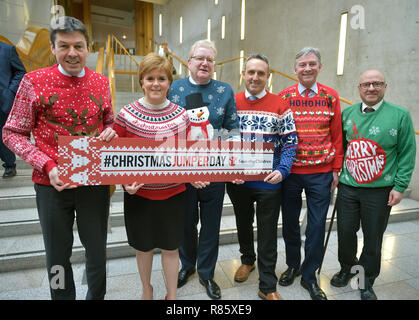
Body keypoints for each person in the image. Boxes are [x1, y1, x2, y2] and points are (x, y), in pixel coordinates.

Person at [3, 16, 117, 300]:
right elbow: (12, 133)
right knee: (57, 256)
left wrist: (110, 132)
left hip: (93, 182)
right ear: (53, 49)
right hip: (50, 184)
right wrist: (47, 165)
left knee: (97, 252)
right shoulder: (33, 81)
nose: (72, 53)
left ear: (88, 49)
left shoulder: (101, 83)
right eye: (64, 46)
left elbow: (108, 121)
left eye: (78, 46)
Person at [330, 69, 416, 300]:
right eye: (366, 84)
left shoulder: (399, 115)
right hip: (348, 187)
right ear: (358, 88)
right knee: (346, 232)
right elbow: (341, 148)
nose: (371, 88)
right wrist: (336, 171)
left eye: (377, 84)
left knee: (373, 237)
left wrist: (399, 186)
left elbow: (407, 152)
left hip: (380, 191)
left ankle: (365, 280)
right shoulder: (347, 114)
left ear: (385, 87)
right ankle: (348, 267)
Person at [113, 52, 190, 300]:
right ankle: (147, 288)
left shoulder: (182, 115)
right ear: (141, 81)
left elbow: (189, 154)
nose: (155, 83)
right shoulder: (125, 114)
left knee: (171, 247)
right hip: (140, 197)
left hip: (174, 195)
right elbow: (115, 158)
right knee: (143, 247)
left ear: (169, 82)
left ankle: (172, 295)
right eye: (150, 78)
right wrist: (125, 183)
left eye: (161, 78)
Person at [168, 39, 239, 300]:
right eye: (200, 58)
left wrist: (234, 162)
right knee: (186, 224)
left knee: (210, 226)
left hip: (215, 172)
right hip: (182, 173)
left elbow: (232, 129)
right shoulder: (174, 88)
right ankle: (187, 266)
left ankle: (207, 273)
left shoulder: (224, 90)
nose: (205, 63)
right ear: (189, 62)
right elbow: (165, 129)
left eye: (210, 60)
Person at [226, 54, 298, 300]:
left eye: (260, 73)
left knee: (267, 232)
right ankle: (247, 260)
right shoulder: (231, 103)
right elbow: (223, 140)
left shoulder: (280, 104)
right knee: (243, 224)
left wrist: (282, 170)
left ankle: (267, 284)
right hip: (238, 180)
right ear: (243, 75)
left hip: (269, 181)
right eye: (250, 72)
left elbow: (290, 142)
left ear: (268, 77)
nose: (255, 77)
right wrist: (228, 169)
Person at [278, 47, 344, 300]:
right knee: (290, 224)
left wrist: (336, 168)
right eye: (302, 64)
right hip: (291, 172)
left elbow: (337, 135)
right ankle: (293, 265)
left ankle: (309, 275)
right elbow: (278, 135)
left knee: (316, 226)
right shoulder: (283, 97)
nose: (307, 68)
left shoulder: (331, 96)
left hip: (321, 173)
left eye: (312, 64)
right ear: (295, 70)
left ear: (319, 67)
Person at [0, 41, 26, 178]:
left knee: (1, 137)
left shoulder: (7, 49)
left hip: (2, 101)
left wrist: (9, 92)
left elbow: (21, 72)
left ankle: (10, 164)